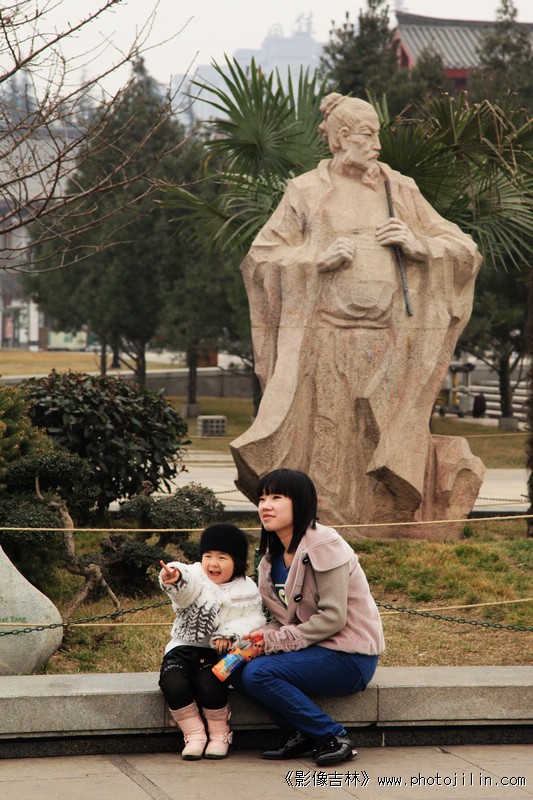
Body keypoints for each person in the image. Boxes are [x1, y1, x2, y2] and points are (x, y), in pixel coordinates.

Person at [231, 93, 484, 536]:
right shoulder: (306, 191)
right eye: (368, 135)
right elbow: (261, 259)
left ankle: (383, 523)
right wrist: (316, 258)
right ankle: (324, 524)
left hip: (389, 344)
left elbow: (464, 249)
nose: (378, 145)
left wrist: (419, 244)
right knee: (327, 437)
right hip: (326, 340)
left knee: (378, 438)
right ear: (342, 137)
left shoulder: (398, 189)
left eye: (377, 134)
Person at [230, 468, 385, 767]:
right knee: (236, 665)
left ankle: (332, 736)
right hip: (311, 649)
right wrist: (260, 637)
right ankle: (299, 732)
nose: (266, 506)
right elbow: (286, 620)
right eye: (262, 499)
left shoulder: (324, 544)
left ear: (299, 502)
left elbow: (333, 618)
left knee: (258, 673)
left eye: (277, 497)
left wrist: (274, 642)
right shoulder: (271, 559)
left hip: (349, 656)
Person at [158, 523, 266, 760]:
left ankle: (219, 735)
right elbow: (185, 586)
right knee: (173, 682)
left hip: (216, 652)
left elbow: (253, 619)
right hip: (183, 647)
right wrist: (175, 577)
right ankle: (194, 734)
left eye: (222, 557)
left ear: (237, 561)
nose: (213, 563)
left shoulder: (247, 588)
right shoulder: (196, 576)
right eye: (208, 556)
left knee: (211, 684)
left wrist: (229, 634)